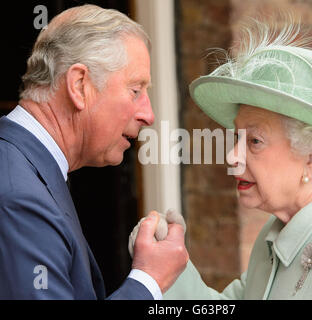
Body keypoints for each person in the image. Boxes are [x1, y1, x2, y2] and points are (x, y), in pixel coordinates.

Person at [163, 20, 312, 299]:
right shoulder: (279, 228)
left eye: (254, 141)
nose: (233, 155)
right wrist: (170, 267)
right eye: (237, 138)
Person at [0, 4, 188, 299]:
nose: (148, 115)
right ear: (79, 85)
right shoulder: (19, 197)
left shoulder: (26, 166)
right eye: (136, 90)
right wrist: (148, 279)